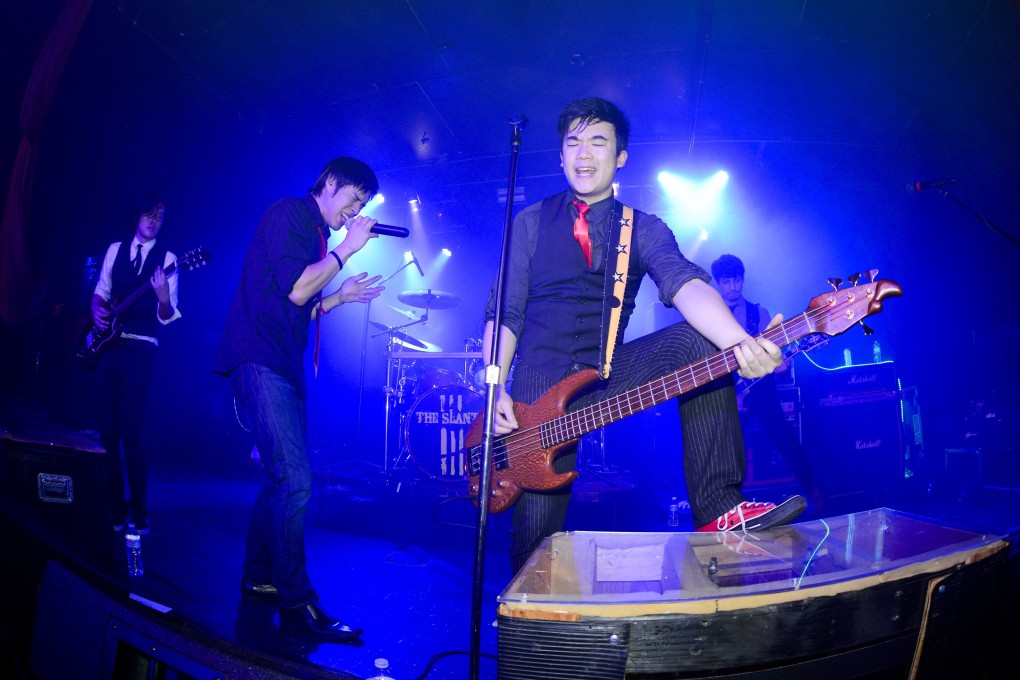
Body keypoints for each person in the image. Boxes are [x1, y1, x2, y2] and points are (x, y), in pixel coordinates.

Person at [482, 97, 806, 573]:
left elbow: (685, 283)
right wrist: (493, 387)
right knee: (535, 548)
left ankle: (720, 508)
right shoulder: (529, 223)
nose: (583, 153)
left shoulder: (643, 227)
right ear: (560, 155)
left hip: (603, 375)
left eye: (598, 142)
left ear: (620, 158)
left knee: (699, 343)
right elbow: (504, 313)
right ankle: (530, 630)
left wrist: (740, 342)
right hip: (534, 391)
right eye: (573, 143)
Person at [213, 157, 384, 642]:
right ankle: (297, 601)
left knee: (278, 479)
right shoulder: (291, 213)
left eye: (362, 206)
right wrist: (347, 252)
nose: (356, 211)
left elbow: (299, 307)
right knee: (294, 478)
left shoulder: (315, 236)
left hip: (280, 362)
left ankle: (259, 575)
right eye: (353, 198)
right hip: (260, 359)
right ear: (329, 183)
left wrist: (339, 298)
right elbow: (294, 290)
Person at [92, 192, 179, 536]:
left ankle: (139, 513)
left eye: (160, 215)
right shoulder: (115, 250)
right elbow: (101, 291)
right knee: (107, 434)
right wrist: (95, 311)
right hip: (109, 349)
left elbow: (169, 317)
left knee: (132, 435)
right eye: (149, 214)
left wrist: (162, 298)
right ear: (137, 216)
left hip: (142, 351)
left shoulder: (169, 259)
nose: (154, 220)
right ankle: (116, 509)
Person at [711, 254, 824, 510]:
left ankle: (814, 492)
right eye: (726, 281)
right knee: (727, 450)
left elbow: (775, 354)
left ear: (743, 280)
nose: (732, 287)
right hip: (726, 392)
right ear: (718, 283)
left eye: (736, 280)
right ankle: (726, 505)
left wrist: (781, 364)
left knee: (785, 437)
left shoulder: (758, 313)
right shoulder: (710, 315)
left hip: (760, 388)